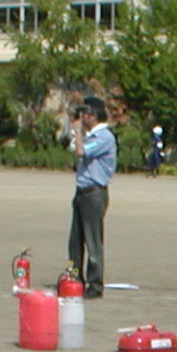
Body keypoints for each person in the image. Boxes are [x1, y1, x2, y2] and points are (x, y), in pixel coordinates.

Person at [70, 95, 116, 298]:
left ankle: (95, 284)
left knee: (92, 240)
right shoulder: (90, 137)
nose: (82, 117)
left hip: (94, 193)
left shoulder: (104, 137)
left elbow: (80, 151)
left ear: (92, 115)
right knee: (75, 240)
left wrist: (78, 131)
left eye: (85, 114)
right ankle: (75, 279)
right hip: (82, 192)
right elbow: (74, 147)